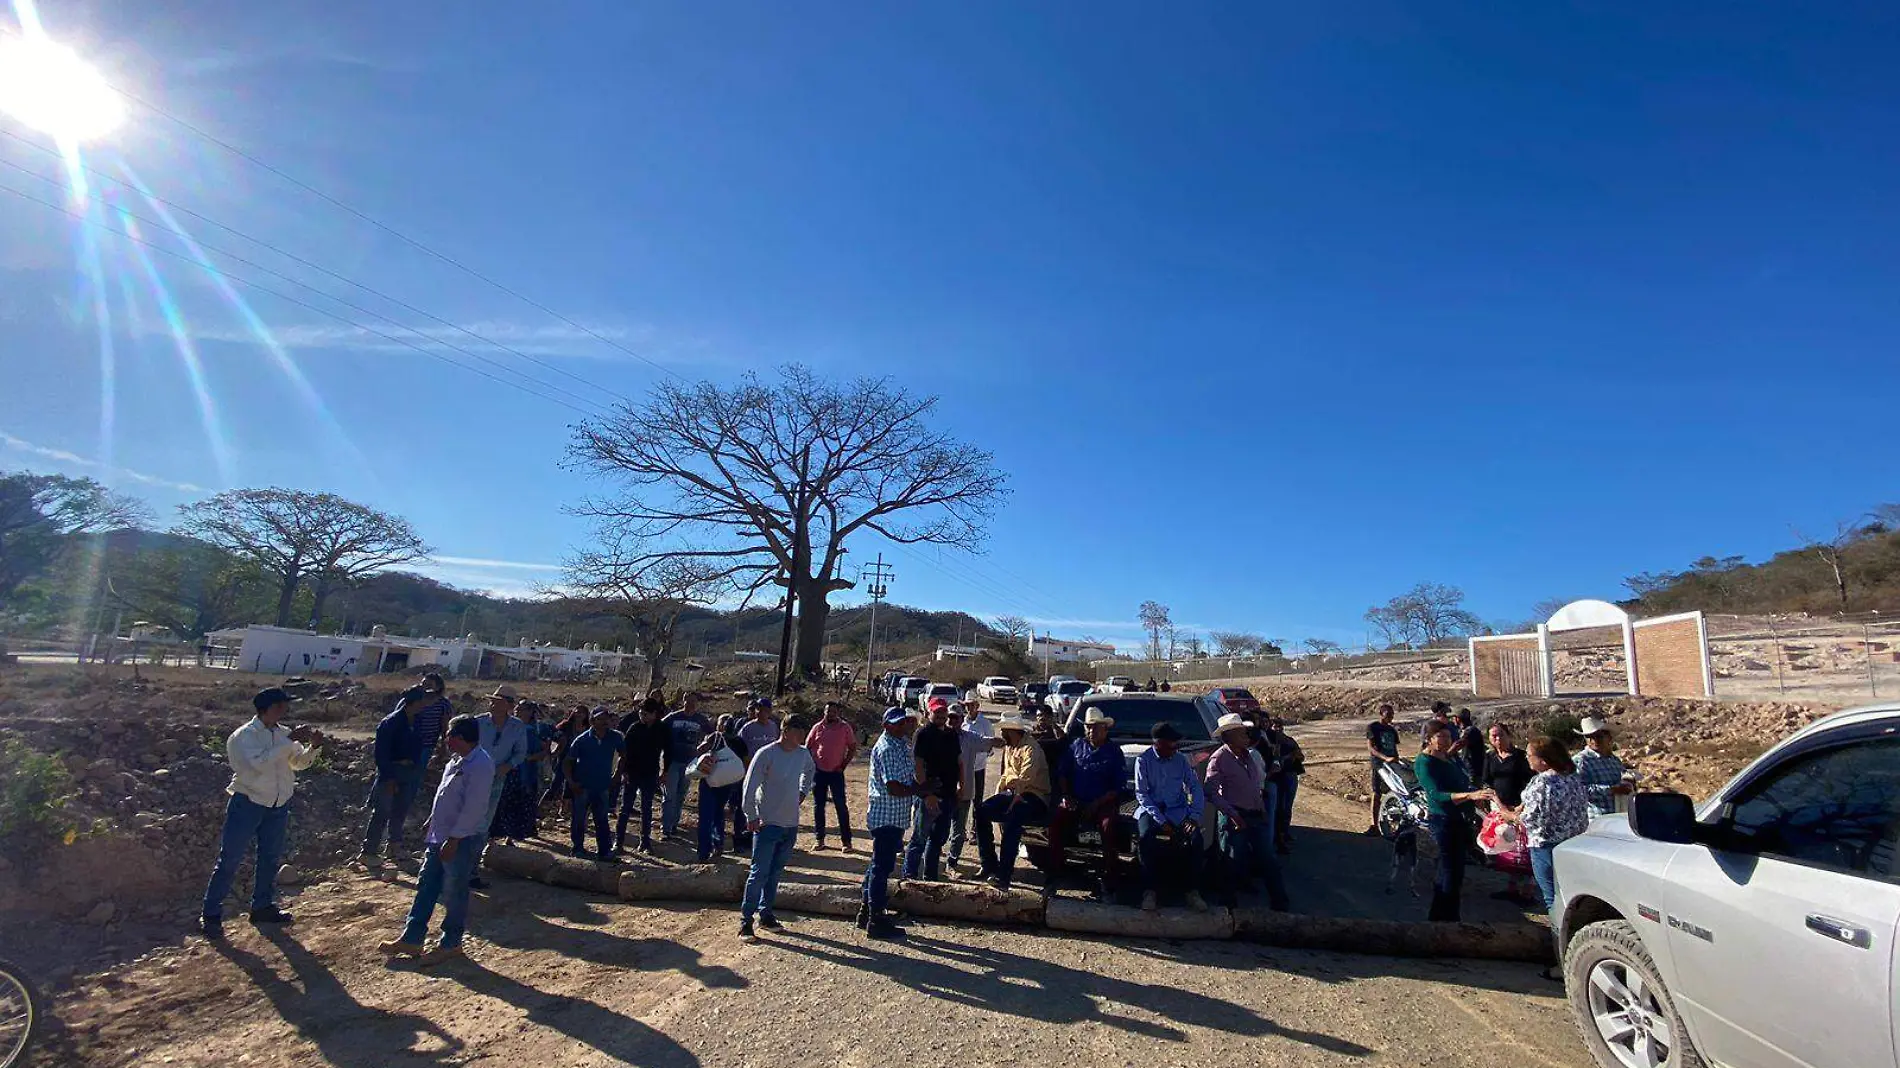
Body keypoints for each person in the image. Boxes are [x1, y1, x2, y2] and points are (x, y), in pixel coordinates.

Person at [200, 687, 324, 938]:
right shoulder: (244, 737)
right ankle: (211, 914)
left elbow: (296, 763)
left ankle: (262, 907)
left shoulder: (283, 734)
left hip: (278, 804)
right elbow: (257, 765)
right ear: (267, 708)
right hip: (248, 802)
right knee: (230, 859)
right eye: (281, 706)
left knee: (269, 857)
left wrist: (312, 748)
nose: (285, 711)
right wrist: (288, 742)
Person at [380, 714, 494, 965]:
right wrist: (432, 820)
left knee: (454, 891)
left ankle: (451, 942)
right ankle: (412, 938)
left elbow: (474, 808)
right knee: (426, 886)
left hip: (460, 839)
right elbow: (444, 795)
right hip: (439, 835)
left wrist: (453, 839)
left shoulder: (481, 765)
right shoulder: (456, 761)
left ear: (461, 738)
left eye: (450, 737)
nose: (446, 741)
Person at [1508, 735, 1591, 975]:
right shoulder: (1573, 779)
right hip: (1574, 845)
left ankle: (1562, 963)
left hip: (1546, 846)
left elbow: (1530, 819)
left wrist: (1507, 815)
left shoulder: (1542, 783)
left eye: (1530, 755)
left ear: (1543, 761)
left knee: (1553, 903)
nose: (1527, 758)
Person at [739, 713, 816, 941]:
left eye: (804, 731)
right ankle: (746, 921)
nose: (802, 735)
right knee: (759, 873)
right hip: (767, 823)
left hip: (790, 823)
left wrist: (803, 791)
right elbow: (749, 786)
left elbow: (810, 771)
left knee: (775, 874)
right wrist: (751, 815)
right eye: (798, 731)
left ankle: (766, 914)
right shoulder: (767, 754)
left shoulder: (803, 754)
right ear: (786, 731)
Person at [1206, 714, 1290, 910]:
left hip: (1255, 815)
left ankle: (1280, 902)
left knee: (1268, 859)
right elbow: (1210, 792)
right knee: (1232, 860)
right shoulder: (1219, 759)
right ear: (1230, 736)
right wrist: (1232, 814)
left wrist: (1261, 809)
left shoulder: (1248, 756)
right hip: (1234, 817)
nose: (1246, 735)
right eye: (1242, 733)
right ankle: (1227, 905)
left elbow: (1255, 786)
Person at [1415, 720, 1496, 922]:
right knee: (1449, 870)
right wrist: (1469, 796)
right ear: (1429, 739)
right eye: (1441, 736)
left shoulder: (1448, 758)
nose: (1446, 740)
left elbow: (1463, 781)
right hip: (1443, 820)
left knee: (1455, 871)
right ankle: (1445, 919)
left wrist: (1478, 798)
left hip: (1460, 820)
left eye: (1448, 736)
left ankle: (1444, 916)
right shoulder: (1424, 762)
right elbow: (1437, 794)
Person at [861, 708, 921, 939]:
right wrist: (920, 790)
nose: (901, 726)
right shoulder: (886, 748)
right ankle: (876, 919)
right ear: (886, 725)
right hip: (885, 815)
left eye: (903, 722)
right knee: (881, 867)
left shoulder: (900, 744)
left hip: (895, 817)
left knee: (878, 864)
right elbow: (894, 787)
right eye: (896, 724)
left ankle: (866, 912)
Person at [974, 713, 1051, 891]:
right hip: (1013, 793)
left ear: (1013, 731)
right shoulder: (1010, 747)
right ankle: (989, 863)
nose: (1002, 733)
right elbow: (1006, 775)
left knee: (1012, 820)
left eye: (1004, 730)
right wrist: (998, 794)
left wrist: (1010, 799)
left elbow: (1026, 779)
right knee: (981, 811)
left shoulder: (1031, 748)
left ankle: (1004, 876)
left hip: (1034, 795)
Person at [1134, 721, 1206, 912]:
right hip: (1153, 810)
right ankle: (1149, 891)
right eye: (1172, 744)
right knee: (1145, 838)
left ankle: (1192, 891)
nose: (1175, 748)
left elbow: (1195, 786)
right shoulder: (1143, 760)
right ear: (1159, 744)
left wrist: (1194, 815)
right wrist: (1161, 820)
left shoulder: (1181, 760)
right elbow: (1142, 794)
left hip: (1177, 810)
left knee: (1196, 840)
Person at [1065, 707, 1127, 901]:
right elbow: (1063, 774)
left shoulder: (1114, 752)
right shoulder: (1075, 746)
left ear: (1105, 729)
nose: (1092, 731)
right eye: (1088, 727)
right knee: (1057, 820)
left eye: (1096, 727)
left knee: (1108, 828)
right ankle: (1055, 874)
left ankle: (1110, 881)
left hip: (1104, 802)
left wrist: (1097, 803)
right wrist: (1067, 796)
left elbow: (1118, 786)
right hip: (1076, 800)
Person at [472, 684, 529, 887]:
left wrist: (508, 766)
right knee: (464, 819)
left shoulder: (517, 727)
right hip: (473, 778)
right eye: (492, 701)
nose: (492, 705)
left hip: (496, 780)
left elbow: (520, 753)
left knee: (483, 824)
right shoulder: (477, 723)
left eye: (498, 702)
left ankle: (471, 870)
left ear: (509, 705)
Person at [361, 685, 426, 863]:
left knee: (400, 811)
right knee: (381, 812)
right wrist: (389, 777)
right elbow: (381, 754)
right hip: (391, 772)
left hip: (408, 772)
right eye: (421, 700)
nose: (424, 704)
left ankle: (394, 846)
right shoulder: (390, 723)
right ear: (413, 702)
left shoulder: (418, 720)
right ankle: (368, 851)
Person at [904, 698, 964, 882]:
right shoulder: (923, 734)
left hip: (948, 794)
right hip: (929, 795)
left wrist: (963, 785)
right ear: (929, 712)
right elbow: (918, 766)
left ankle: (929, 878)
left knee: (938, 839)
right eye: (936, 712)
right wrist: (926, 794)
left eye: (943, 712)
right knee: (919, 838)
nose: (940, 715)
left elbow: (959, 761)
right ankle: (909, 877)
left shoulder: (952, 734)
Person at [565, 709, 623, 860]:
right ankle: (577, 848)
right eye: (600, 719)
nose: (604, 722)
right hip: (583, 785)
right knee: (579, 819)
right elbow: (568, 762)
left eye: (606, 718)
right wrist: (571, 782)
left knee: (602, 819)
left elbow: (625, 756)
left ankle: (604, 851)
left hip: (603, 785)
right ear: (592, 721)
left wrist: (617, 775)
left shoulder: (615, 737)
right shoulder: (582, 740)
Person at [693, 714, 750, 861]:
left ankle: (703, 852)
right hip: (728, 784)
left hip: (709, 782)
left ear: (719, 725)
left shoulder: (714, 737)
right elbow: (745, 762)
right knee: (719, 813)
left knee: (706, 816)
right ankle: (718, 844)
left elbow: (698, 751)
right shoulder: (739, 741)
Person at [615, 697, 667, 854]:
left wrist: (665, 772)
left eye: (645, 714)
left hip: (650, 773)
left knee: (647, 808)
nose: (642, 716)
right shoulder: (634, 728)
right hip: (632, 773)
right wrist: (623, 771)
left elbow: (668, 751)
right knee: (625, 808)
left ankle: (645, 842)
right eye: (640, 713)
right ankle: (619, 842)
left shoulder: (661, 729)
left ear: (654, 714)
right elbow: (624, 752)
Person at [806, 700, 858, 852]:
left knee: (841, 806)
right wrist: (811, 765)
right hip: (819, 773)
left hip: (836, 773)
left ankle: (846, 842)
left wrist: (843, 765)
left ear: (838, 713)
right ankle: (819, 839)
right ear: (824, 712)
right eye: (828, 711)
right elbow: (807, 747)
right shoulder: (817, 727)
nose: (831, 714)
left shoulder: (845, 728)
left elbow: (853, 747)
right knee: (818, 806)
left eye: (834, 711)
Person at [660, 693, 714, 840]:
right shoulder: (673, 717)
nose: (690, 704)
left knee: (680, 795)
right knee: (669, 795)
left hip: (690, 762)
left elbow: (713, 735)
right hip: (672, 761)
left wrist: (703, 748)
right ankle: (665, 828)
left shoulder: (700, 719)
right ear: (683, 701)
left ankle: (674, 824)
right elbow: (659, 728)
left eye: (693, 702)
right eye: (688, 701)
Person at [945, 703, 990, 876]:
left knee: (958, 831)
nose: (951, 721)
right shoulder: (937, 737)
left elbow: (988, 743)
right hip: (941, 792)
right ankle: (929, 864)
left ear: (961, 720)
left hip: (963, 792)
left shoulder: (970, 738)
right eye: (950, 717)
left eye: (955, 718)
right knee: (937, 830)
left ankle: (951, 863)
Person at [1575, 716, 1633, 818]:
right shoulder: (1581, 760)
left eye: (1598, 736)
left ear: (1609, 737)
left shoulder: (1615, 761)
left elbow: (1624, 780)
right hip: (1598, 820)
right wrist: (1611, 790)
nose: (1594, 740)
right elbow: (1577, 790)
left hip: (1619, 816)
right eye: (1590, 737)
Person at [1265, 717, 1304, 853]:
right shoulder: (1268, 741)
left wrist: (1293, 756)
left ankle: (1284, 833)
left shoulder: (1289, 741)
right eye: (1275, 726)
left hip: (1290, 775)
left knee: (1287, 807)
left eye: (1280, 726)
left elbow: (1301, 756)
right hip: (1276, 778)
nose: (1278, 729)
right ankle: (1278, 838)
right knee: (1277, 809)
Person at [1365, 704, 1402, 834]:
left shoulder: (1392, 730)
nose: (1391, 717)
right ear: (1382, 714)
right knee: (1377, 792)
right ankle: (1374, 825)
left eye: (1392, 715)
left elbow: (1394, 747)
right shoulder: (1373, 727)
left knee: (1395, 791)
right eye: (1388, 715)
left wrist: (1396, 760)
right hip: (1379, 764)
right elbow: (1371, 748)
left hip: (1392, 764)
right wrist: (1384, 758)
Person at [408, 673, 454, 764]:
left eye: (429, 685)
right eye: (423, 684)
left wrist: (443, 748)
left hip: (427, 746)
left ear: (438, 687)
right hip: (409, 743)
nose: (425, 688)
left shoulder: (443, 704)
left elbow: (445, 728)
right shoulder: (414, 700)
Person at [1452, 708, 1486, 785]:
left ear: (1458, 719)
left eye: (1454, 718)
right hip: (1467, 769)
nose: (1452, 720)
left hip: (1473, 771)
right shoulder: (1464, 730)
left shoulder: (1471, 731)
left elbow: (1459, 744)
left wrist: (1446, 755)